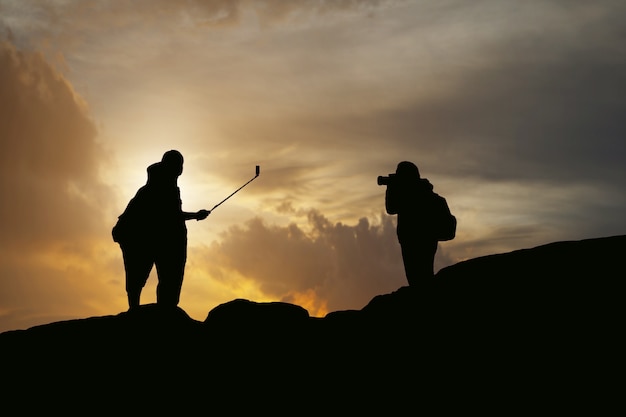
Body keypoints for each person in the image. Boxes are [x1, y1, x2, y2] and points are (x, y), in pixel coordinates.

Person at [112, 150, 210, 309]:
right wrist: (196, 215)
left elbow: (172, 215)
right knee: (140, 276)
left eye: (181, 165)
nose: (180, 169)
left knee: (164, 278)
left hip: (157, 238)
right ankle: (137, 311)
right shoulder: (154, 189)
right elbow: (170, 215)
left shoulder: (167, 188)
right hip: (143, 238)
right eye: (178, 165)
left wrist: (194, 216)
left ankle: (158, 308)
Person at [383, 161, 439, 287]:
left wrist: (391, 187)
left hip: (412, 239)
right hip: (422, 239)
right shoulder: (424, 192)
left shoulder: (410, 195)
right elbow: (392, 209)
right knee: (424, 274)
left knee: (417, 277)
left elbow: (391, 208)